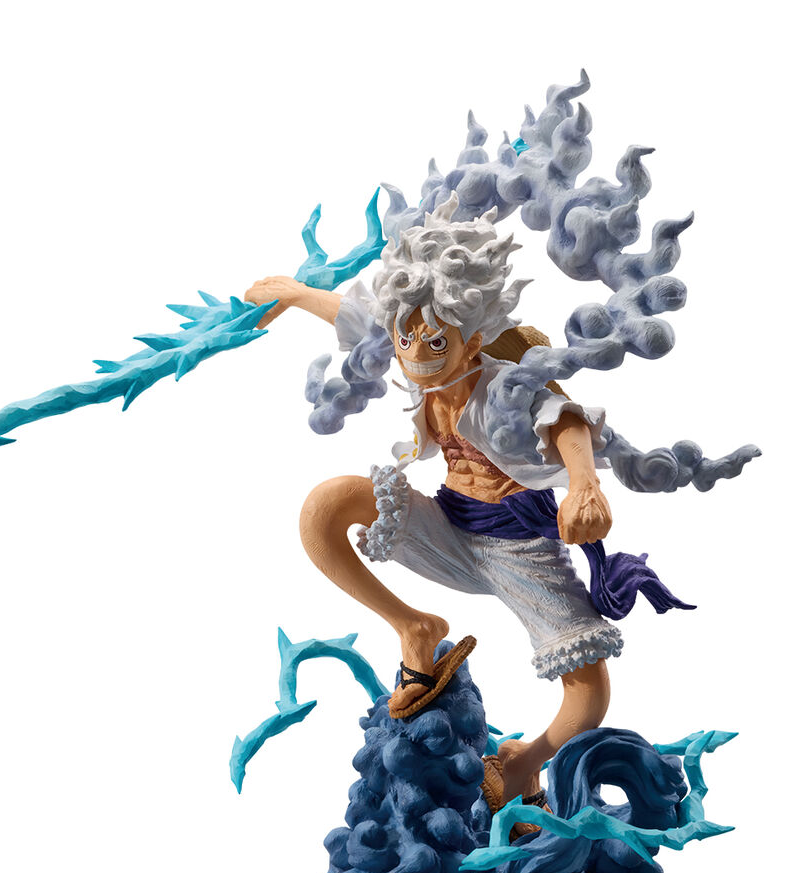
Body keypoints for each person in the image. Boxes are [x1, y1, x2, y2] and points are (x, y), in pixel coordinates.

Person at [245, 199, 649, 808]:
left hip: (518, 548)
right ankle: (415, 628)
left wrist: (584, 485)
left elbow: (566, 419)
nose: (414, 352)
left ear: (473, 340)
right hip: (447, 526)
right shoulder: (420, 360)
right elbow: (362, 319)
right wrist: (298, 295)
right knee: (326, 507)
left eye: (435, 340)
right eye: (406, 337)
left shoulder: (503, 385)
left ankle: (524, 766)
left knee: (588, 687)